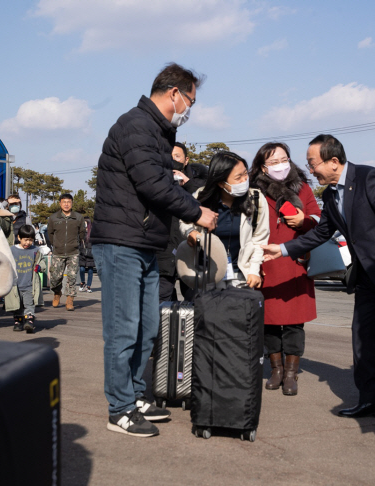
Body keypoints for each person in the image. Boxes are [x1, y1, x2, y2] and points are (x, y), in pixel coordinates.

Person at [262, 134, 375, 425]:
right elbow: (321, 232)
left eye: (313, 164)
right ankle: (371, 400)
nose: (310, 170)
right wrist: (283, 249)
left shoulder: (369, 178)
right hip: (366, 277)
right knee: (362, 341)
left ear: (334, 161)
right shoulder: (329, 195)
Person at [91, 63, 217, 438]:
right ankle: (120, 408)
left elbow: (157, 179)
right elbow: (150, 185)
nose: (190, 108)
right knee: (123, 329)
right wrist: (197, 212)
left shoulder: (159, 133)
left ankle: (135, 394)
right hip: (121, 242)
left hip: (145, 243)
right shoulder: (136, 125)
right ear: (174, 93)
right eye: (190, 99)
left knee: (147, 328)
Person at [249, 142, 321, 395]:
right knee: (268, 322)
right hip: (265, 263)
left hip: (295, 263)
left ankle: (291, 373)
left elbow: (319, 221)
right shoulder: (252, 192)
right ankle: (276, 369)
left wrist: (304, 220)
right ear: (261, 166)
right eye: (273, 161)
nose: (280, 165)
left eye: (284, 159)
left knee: (294, 323)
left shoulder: (302, 189)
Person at [180, 151, 269, 291]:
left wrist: (254, 269)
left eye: (245, 174)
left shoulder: (256, 199)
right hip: (208, 275)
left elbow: (260, 239)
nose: (244, 180)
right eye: (238, 177)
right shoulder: (200, 197)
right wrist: (190, 232)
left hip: (242, 276)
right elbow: (185, 222)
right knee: (210, 312)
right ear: (221, 183)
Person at [157, 142, 207, 303]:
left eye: (177, 156)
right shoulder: (156, 181)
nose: (173, 160)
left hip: (191, 252)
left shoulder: (199, 182)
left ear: (186, 160)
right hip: (164, 251)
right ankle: (164, 328)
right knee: (162, 300)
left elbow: (207, 204)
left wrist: (188, 184)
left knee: (194, 300)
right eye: (169, 157)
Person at [47, 193, 85, 311]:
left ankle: (70, 299)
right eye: (64, 202)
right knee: (55, 277)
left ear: (72, 203)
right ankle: (57, 293)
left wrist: (76, 244)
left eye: (69, 202)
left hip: (73, 252)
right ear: (60, 203)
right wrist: (56, 245)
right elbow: (50, 234)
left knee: (72, 277)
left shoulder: (78, 217)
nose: (66, 204)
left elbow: (82, 233)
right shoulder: (53, 218)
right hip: (58, 252)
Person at [10, 224, 40, 333]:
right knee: (16, 305)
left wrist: (40, 267)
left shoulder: (35, 250)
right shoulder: (12, 250)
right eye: (26, 240)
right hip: (15, 284)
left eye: (31, 240)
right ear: (19, 238)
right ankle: (18, 321)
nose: (28, 243)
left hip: (29, 284)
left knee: (29, 303)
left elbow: (41, 261)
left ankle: (29, 322)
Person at [78, 216, 94, 293]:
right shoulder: (81, 232)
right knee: (82, 269)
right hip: (82, 253)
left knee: (90, 270)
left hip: (91, 254)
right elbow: (78, 241)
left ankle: (89, 286)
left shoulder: (93, 232)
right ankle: (82, 282)